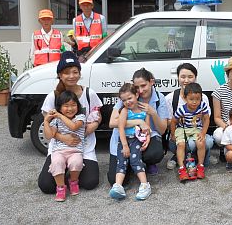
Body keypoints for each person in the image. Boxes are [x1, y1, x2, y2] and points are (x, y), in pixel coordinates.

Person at [38, 51, 102, 194]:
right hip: (59, 148)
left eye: (75, 72)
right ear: (60, 75)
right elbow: (47, 122)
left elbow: (98, 115)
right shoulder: (53, 97)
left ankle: (70, 174)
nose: (72, 76)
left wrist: (94, 125)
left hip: (84, 147)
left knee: (90, 182)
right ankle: (63, 172)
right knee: (46, 186)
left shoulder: (88, 93)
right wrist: (63, 137)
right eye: (67, 73)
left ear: (80, 73)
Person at [108, 68, 170, 184]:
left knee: (155, 153)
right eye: (137, 87)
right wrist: (139, 122)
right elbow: (112, 122)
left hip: (145, 137)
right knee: (113, 180)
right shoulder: (129, 96)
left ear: (151, 82)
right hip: (124, 138)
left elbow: (162, 130)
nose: (140, 90)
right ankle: (132, 163)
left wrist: (153, 113)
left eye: (143, 85)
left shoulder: (159, 98)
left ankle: (143, 162)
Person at [165, 63, 214, 170]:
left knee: (207, 141)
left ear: (195, 78)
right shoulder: (170, 98)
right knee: (187, 143)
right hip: (180, 132)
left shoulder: (203, 98)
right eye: (183, 77)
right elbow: (169, 121)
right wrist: (179, 122)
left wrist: (199, 119)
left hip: (196, 129)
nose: (186, 80)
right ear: (178, 77)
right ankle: (181, 159)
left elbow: (206, 118)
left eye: (190, 77)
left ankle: (201, 158)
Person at [109, 83, 152, 201]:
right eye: (124, 100)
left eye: (129, 98)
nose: (127, 101)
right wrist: (124, 145)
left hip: (137, 140)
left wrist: (147, 137)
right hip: (124, 140)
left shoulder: (144, 111)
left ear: (137, 95)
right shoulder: (124, 111)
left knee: (135, 160)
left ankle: (145, 185)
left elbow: (147, 128)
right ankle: (118, 186)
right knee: (121, 162)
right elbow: (121, 127)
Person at [43, 91, 86, 201]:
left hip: (75, 150)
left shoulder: (80, 117)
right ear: (60, 107)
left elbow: (74, 127)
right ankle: (61, 188)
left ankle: (73, 181)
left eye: (73, 105)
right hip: (59, 151)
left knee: (76, 162)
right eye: (66, 106)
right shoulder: (56, 120)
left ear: (78, 105)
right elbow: (49, 135)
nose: (70, 109)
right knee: (57, 163)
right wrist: (46, 121)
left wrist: (60, 116)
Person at [170, 83, 209, 181]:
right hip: (182, 128)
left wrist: (203, 132)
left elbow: (207, 119)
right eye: (191, 99)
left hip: (196, 128)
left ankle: (200, 166)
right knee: (181, 144)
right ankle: (182, 168)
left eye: (198, 99)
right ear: (185, 98)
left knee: (201, 142)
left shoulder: (203, 106)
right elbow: (173, 121)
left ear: (201, 97)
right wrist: (173, 134)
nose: (195, 102)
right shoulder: (182, 109)